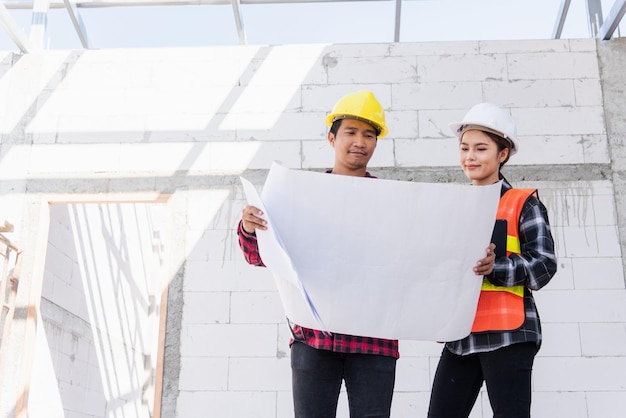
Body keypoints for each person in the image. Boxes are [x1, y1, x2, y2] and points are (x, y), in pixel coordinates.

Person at [238, 91, 496, 418]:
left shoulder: (392, 204)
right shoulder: (301, 196)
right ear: (332, 138)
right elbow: (259, 256)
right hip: (315, 341)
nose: (360, 141)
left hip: (374, 344)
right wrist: (250, 228)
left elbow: (426, 260)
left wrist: (470, 253)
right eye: (351, 132)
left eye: (369, 135)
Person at [427, 102, 558, 418]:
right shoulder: (454, 209)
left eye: (481, 148)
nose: (469, 156)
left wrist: (496, 268)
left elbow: (544, 264)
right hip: (462, 337)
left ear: (503, 154)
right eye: (465, 148)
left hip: (508, 333)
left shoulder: (522, 203)